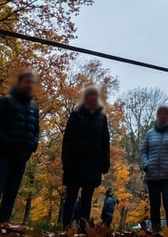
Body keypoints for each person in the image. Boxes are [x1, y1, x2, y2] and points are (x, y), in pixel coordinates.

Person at [0, 71, 40, 223]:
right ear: (20, 83)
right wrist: (7, 142)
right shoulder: (6, 101)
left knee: (11, 194)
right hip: (3, 155)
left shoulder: (34, 107)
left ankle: (3, 225)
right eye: (26, 82)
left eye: (31, 83)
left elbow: (36, 129)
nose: (29, 85)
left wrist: (33, 145)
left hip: (21, 158)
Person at [61, 85, 111, 231]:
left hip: (93, 164)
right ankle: (66, 227)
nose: (93, 98)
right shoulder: (76, 114)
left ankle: (84, 229)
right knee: (71, 196)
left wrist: (105, 162)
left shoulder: (102, 118)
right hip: (75, 162)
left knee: (87, 199)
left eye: (95, 95)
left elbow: (105, 141)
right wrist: (66, 160)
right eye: (90, 95)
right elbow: (68, 138)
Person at [140, 105, 168, 233]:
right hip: (151, 174)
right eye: (160, 114)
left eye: (165, 114)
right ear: (157, 116)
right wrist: (145, 164)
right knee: (154, 204)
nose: (163, 116)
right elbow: (143, 150)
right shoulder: (150, 133)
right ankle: (155, 230)